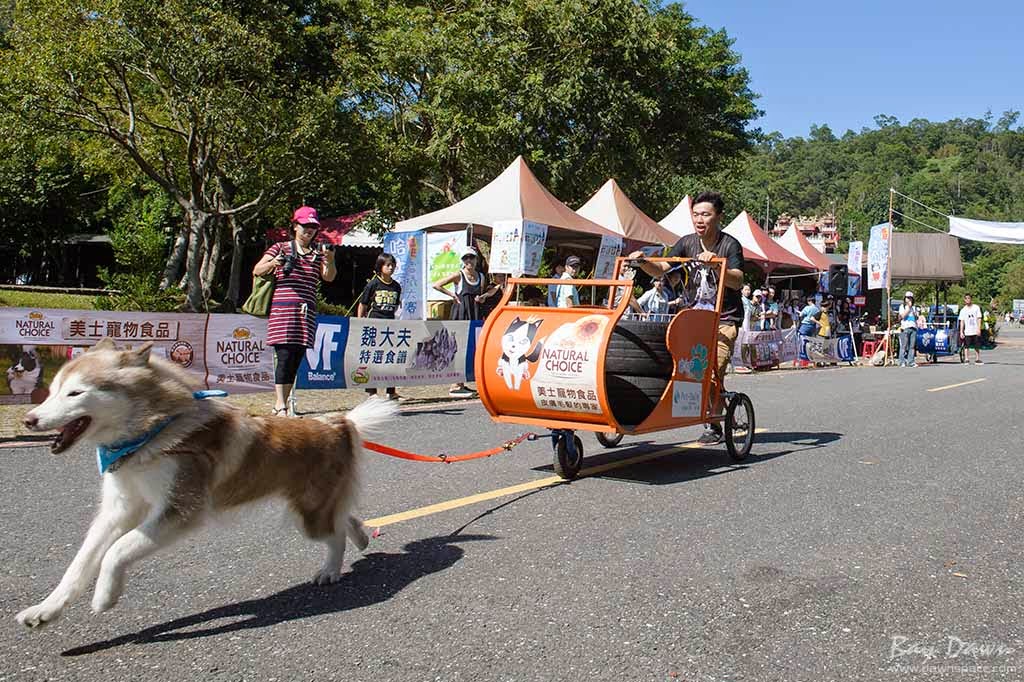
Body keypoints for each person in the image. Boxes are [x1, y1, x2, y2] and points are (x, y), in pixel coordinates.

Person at [628, 191, 744, 445]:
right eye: (696, 214)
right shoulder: (686, 243)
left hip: (724, 319)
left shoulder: (729, 244)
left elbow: (737, 280)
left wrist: (715, 263)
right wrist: (643, 262)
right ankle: (695, 409)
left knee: (714, 369)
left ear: (718, 217)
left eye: (706, 214)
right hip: (692, 318)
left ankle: (713, 424)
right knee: (684, 368)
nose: (699, 219)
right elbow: (661, 269)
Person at [252, 206, 336, 416]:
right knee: (284, 355)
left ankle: (282, 404)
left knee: (296, 358)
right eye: (305, 225)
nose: (309, 230)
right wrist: (275, 262)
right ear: (295, 226)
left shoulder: (318, 253)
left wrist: (330, 259)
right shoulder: (281, 247)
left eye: (313, 226)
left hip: (306, 313)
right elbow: (257, 270)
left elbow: (329, 277)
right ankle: (280, 403)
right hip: (284, 311)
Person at [433, 246, 487, 397]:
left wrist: (482, 298)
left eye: (471, 257)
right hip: (460, 314)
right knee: (457, 347)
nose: (469, 261)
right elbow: (437, 284)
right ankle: (455, 384)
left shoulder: (481, 277)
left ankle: (462, 382)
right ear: (462, 261)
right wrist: (452, 294)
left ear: (477, 259)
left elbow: (481, 293)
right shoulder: (459, 275)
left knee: (470, 348)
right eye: (466, 258)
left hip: (474, 313)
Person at [357, 253, 402, 400]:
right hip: (374, 323)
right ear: (380, 266)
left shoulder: (396, 286)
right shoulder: (373, 284)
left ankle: (391, 391)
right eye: (387, 265)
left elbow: (396, 306)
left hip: (390, 325)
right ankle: (372, 392)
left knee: (391, 358)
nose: (391, 268)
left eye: (392, 265)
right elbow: (363, 304)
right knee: (372, 358)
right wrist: (360, 321)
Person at [958, 293, 984, 364]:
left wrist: (979, 329)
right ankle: (966, 359)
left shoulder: (976, 308)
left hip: (975, 330)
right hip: (967, 331)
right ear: (964, 300)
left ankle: (977, 359)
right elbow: (962, 321)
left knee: (977, 345)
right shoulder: (963, 310)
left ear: (971, 299)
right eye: (966, 298)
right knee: (966, 346)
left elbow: (979, 318)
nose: (967, 300)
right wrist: (961, 331)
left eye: (969, 298)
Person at [897, 291, 920, 367]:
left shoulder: (914, 307)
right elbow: (902, 316)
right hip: (905, 327)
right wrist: (908, 308)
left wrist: (915, 313)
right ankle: (902, 361)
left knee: (912, 346)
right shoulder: (902, 306)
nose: (909, 299)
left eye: (910, 298)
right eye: (907, 298)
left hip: (913, 327)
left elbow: (916, 317)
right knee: (904, 345)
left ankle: (911, 361)